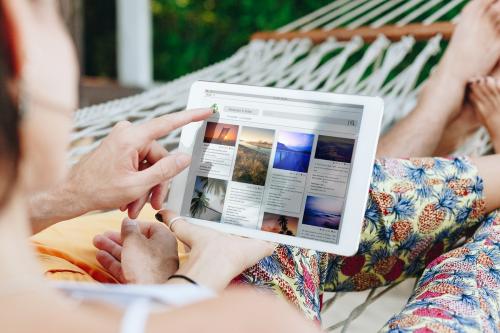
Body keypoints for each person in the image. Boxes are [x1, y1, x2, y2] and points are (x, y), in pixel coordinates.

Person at [2, 0, 498, 332]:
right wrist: (185, 282)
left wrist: (65, 197)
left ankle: (449, 125)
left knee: (310, 192)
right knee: (478, 263)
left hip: (174, 260)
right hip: (192, 275)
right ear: (16, 36)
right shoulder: (244, 322)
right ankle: (456, 115)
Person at [0, 1, 320, 333]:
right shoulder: (256, 323)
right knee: (294, 233)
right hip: (174, 260)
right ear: (16, 35)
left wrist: (71, 194)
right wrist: (209, 263)